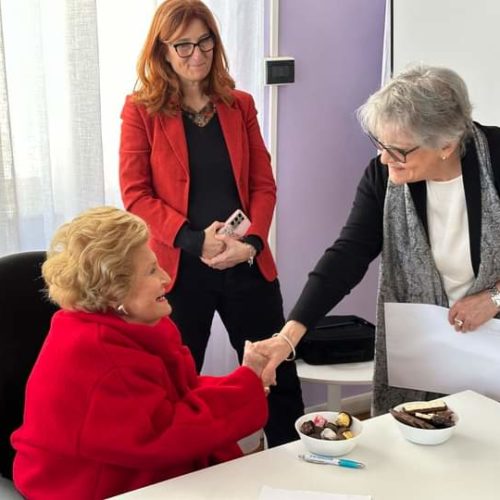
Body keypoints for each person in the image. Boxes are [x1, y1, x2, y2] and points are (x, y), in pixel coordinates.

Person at [254, 64, 500, 416]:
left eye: (399, 150)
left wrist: (494, 297)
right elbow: (347, 255)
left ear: (446, 144)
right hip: (429, 345)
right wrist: (287, 337)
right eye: (381, 145)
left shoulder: (497, 157)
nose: (385, 158)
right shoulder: (382, 174)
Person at [119, 0, 303, 446]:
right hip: (179, 272)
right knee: (175, 386)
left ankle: (297, 470)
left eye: (204, 42)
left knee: (277, 379)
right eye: (183, 46)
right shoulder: (140, 111)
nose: (196, 54)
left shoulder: (238, 105)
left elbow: (264, 185)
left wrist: (253, 243)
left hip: (246, 265)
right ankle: (186, 473)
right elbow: (135, 194)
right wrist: (194, 240)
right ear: (162, 51)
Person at [11, 206, 269, 500]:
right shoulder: (96, 355)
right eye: (150, 271)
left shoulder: (136, 323)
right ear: (113, 291)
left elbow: (179, 393)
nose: (165, 278)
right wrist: (248, 385)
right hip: (91, 488)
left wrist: (250, 377)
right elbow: (166, 432)